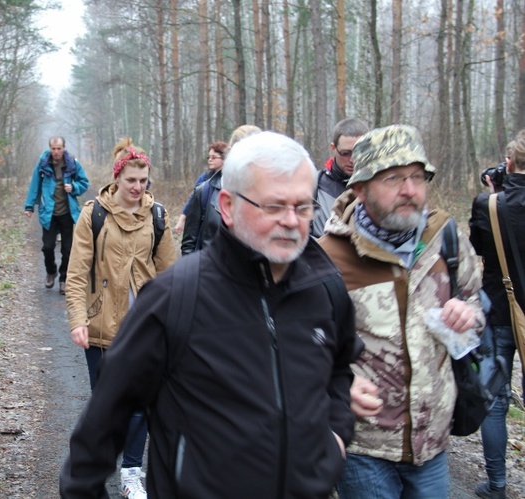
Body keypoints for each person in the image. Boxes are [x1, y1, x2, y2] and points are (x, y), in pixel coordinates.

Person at [60, 131, 360, 498]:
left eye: (302, 207)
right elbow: (97, 435)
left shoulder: (325, 287)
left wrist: (335, 436)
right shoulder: (174, 299)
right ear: (228, 206)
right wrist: (80, 317)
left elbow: (341, 370)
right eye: (273, 206)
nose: (291, 221)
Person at [319, 124, 485, 498]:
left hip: (434, 443)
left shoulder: (446, 238)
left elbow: (477, 301)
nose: (410, 190)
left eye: (416, 177)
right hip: (365, 447)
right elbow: (302, 347)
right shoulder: (328, 257)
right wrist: (339, 384)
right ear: (359, 189)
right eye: (393, 178)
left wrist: (469, 314)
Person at [65, 138, 176, 498]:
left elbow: (172, 276)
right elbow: (77, 273)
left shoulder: (157, 216)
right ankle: (95, 472)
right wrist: (78, 319)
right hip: (101, 327)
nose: (137, 187)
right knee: (108, 405)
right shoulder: (93, 214)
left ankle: (131, 471)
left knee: (142, 403)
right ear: (117, 178)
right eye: (131, 180)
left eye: (143, 180)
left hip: (144, 327)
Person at [468, 130, 525, 499]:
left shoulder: (489, 204)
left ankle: (498, 484)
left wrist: (491, 194)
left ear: (508, 163)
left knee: (497, 401)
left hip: (501, 309)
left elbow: (477, 245)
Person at [180, 125, 261, 254]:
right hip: (210, 272)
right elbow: (189, 245)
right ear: (230, 151)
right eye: (244, 152)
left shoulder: (268, 197)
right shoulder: (205, 192)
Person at [24, 136, 89, 294]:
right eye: (53, 148)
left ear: (64, 148)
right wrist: (29, 206)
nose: (56, 151)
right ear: (50, 148)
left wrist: (73, 187)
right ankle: (51, 271)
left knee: (67, 249)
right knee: (48, 247)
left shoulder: (72, 163)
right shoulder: (43, 164)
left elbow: (84, 182)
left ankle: (64, 279)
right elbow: (35, 184)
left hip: (67, 213)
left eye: (59, 148)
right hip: (49, 213)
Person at [311, 118, 369, 238]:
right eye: (345, 153)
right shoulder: (314, 185)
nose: (352, 160)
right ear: (333, 148)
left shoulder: (378, 187)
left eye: (359, 152)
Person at [172, 140, 228, 235]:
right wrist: (181, 220)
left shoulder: (230, 180)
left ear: (223, 159)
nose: (210, 160)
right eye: (209, 157)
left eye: (214, 157)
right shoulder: (204, 179)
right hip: (205, 226)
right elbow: (192, 200)